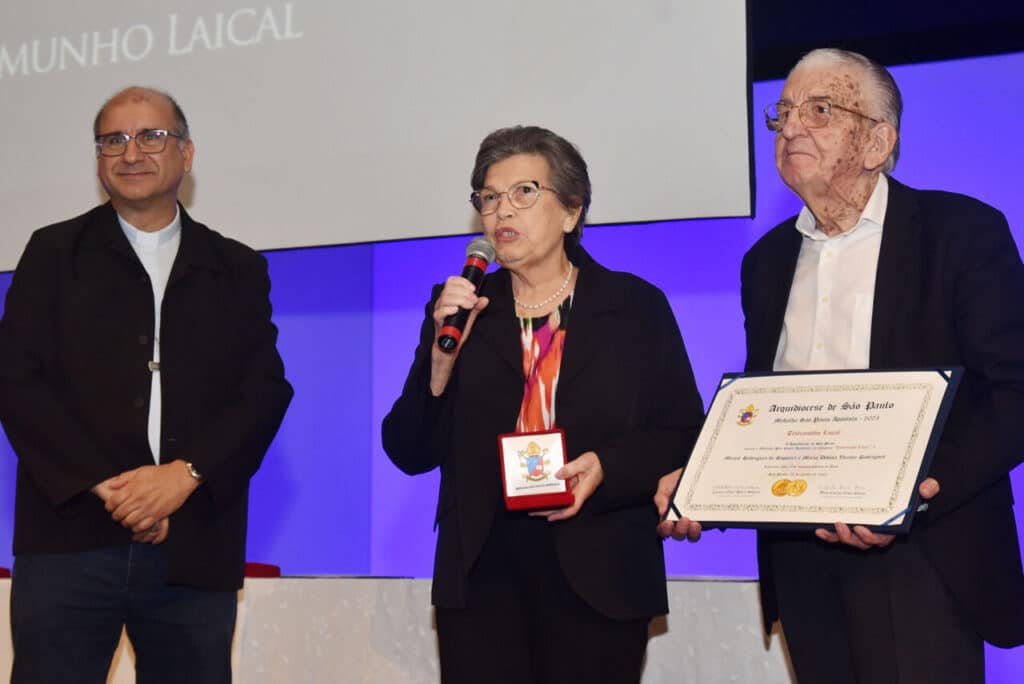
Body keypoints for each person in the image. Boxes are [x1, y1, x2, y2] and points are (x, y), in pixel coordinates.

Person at [658, 48, 1024, 682]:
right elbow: (764, 410)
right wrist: (700, 481)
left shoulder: (961, 232)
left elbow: (1016, 391)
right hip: (801, 560)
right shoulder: (765, 262)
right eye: (784, 112)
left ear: (878, 141)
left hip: (923, 556)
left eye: (820, 110)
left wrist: (916, 496)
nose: (790, 127)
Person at [383, 125, 704, 683]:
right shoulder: (458, 310)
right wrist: (440, 361)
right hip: (484, 577)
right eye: (488, 197)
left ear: (572, 211)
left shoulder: (634, 307)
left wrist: (607, 467)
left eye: (524, 192)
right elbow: (409, 448)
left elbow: (683, 432)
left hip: (601, 568)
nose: (501, 210)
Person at [0, 86, 293, 683]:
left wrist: (183, 476)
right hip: (68, 540)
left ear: (186, 154)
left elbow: (263, 389)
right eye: (113, 140)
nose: (130, 152)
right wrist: (113, 489)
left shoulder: (235, 266)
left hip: (194, 545)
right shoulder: (54, 252)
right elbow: (16, 380)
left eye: (150, 136)